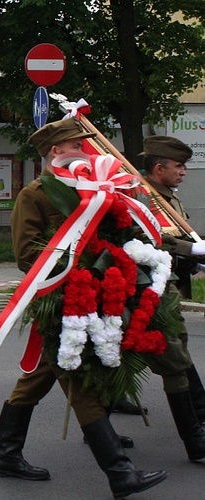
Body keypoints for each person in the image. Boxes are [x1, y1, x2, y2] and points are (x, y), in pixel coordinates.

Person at [0, 119, 166, 498]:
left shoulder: (92, 192)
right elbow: (26, 255)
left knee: (36, 381)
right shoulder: (35, 195)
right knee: (79, 380)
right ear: (56, 151)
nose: (86, 153)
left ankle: (5, 456)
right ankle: (120, 474)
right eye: (77, 146)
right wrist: (80, 267)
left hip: (94, 300)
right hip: (61, 303)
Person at [136, 135, 205, 458]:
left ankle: (99, 417)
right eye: (178, 166)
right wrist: (191, 249)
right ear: (159, 168)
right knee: (172, 357)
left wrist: (191, 256)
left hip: (170, 284)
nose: (184, 172)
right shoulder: (144, 198)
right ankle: (195, 439)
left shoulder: (168, 197)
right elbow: (150, 238)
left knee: (176, 348)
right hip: (147, 288)